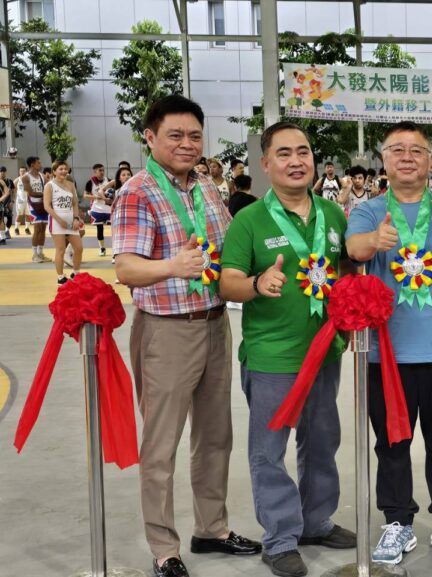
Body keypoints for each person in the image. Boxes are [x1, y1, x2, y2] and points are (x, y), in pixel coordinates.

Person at [112, 95, 260, 577]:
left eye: (194, 135)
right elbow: (126, 267)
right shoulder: (137, 192)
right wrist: (171, 266)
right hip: (166, 332)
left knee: (216, 436)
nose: (186, 143)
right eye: (174, 135)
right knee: (161, 445)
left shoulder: (207, 189)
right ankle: (164, 548)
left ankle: (211, 528)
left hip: (215, 323)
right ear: (150, 138)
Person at [220, 121, 356, 577]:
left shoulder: (334, 215)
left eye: (303, 151)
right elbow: (227, 282)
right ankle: (280, 538)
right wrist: (257, 283)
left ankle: (315, 522)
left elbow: (347, 274)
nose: (296, 161)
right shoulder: (249, 220)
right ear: (265, 164)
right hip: (272, 355)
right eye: (284, 153)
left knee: (321, 441)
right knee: (269, 450)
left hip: (326, 352)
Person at [346, 121, 432, 566]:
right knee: (391, 442)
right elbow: (354, 249)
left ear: (431, 161)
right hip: (386, 353)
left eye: (417, 150)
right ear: (383, 159)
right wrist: (373, 242)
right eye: (397, 149)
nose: (407, 157)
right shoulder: (368, 211)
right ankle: (397, 521)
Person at [43, 161, 83, 283]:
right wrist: (59, 220)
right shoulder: (49, 186)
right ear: (54, 171)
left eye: (65, 169)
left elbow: (75, 203)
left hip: (71, 220)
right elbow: (47, 206)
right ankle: (60, 277)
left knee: (79, 248)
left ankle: (76, 273)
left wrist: (76, 218)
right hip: (56, 221)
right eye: (61, 169)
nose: (64, 171)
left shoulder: (71, 184)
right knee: (60, 249)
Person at [21, 157, 52, 263]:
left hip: (43, 204)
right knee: (37, 229)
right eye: (38, 163)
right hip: (33, 205)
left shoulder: (42, 176)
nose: (41, 164)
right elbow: (30, 193)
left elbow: (49, 187)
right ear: (32, 165)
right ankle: (34, 254)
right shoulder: (26, 177)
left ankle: (40, 253)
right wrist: (45, 194)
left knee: (43, 229)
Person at [83, 163, 112, 256]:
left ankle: (115, 249)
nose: (102, 172)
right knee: (100, 229)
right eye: (100, 170)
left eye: (103, 170)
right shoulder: (90, 182)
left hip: (109, 209)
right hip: (98, 209)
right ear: (95, 172)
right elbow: (85, 196)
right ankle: (102, 248)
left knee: (114, 229)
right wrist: (97, 197)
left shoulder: (109, 181)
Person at [0, 170, 10, 244]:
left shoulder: (1, 182)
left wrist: (1, 200)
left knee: (0, 220)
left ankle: (3, 238)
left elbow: (7, 193)